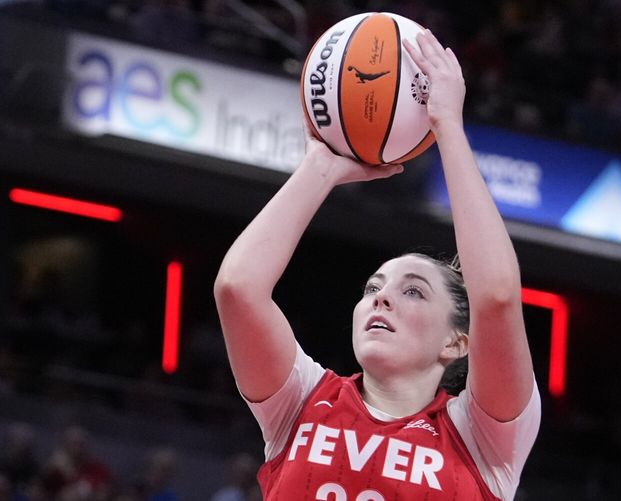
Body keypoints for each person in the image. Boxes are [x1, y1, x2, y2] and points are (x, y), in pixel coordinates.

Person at [214, 29, 541, 501]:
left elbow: (496, 297)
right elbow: (238, 289)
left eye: (412, 291)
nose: (380, 297)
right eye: (372, 288)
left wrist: (448, 127)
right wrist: (320, 168)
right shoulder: (303, 402)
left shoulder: (483, 437)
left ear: (456, 341)